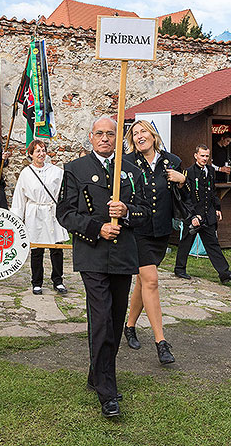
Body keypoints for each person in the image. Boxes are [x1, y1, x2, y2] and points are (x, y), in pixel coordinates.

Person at [56, 116, 149, 418]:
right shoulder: (76, 169)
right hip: (93, 254)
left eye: (111, 134)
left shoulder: (132, 171)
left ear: (118, 137)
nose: (105, 139)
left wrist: (127, 212)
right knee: (102, 321)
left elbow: (147, 212)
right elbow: (66, 213)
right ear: (91, 137)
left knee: (116, 315)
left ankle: (97, 373)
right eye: (100, 134)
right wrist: (97, 228)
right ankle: (107, 392)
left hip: (122, 256)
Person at [122, 120, 186, 365]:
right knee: (151, 280)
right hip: (138, 230)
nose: (139, 136)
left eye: (143, 132)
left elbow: (185, 196)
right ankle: (161, 342)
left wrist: (182, 180)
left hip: (160, 230)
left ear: (153, 135)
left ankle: (129, 326)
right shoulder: (127, 162)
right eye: (135, 133)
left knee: (143, 282)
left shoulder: (172, 161)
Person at [174, 145, 231, 284]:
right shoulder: (188, 172)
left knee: (213, 244)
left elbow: (212, 191)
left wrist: (217, 208)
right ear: (196, 156)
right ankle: (179, 269)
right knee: (186, 243)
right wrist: (193, 216)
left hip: (208, 214)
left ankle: (224, 273)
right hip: (192, 215)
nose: (205, 158)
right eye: (202, 155)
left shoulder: (210, 170)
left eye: (207, 156)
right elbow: (186, 197)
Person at [11, 140, 69, 295]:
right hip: (35, 213)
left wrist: (65, 213)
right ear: (31, 154)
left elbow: (63, 194)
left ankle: (58, 280)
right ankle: (37, 282)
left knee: (56, 249)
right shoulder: (26, 173)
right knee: (37, 249)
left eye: (43, 150)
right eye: (37, 151)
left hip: (51, 211)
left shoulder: (56, 171)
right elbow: (19, 197)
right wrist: (17, 219)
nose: (41, 154)